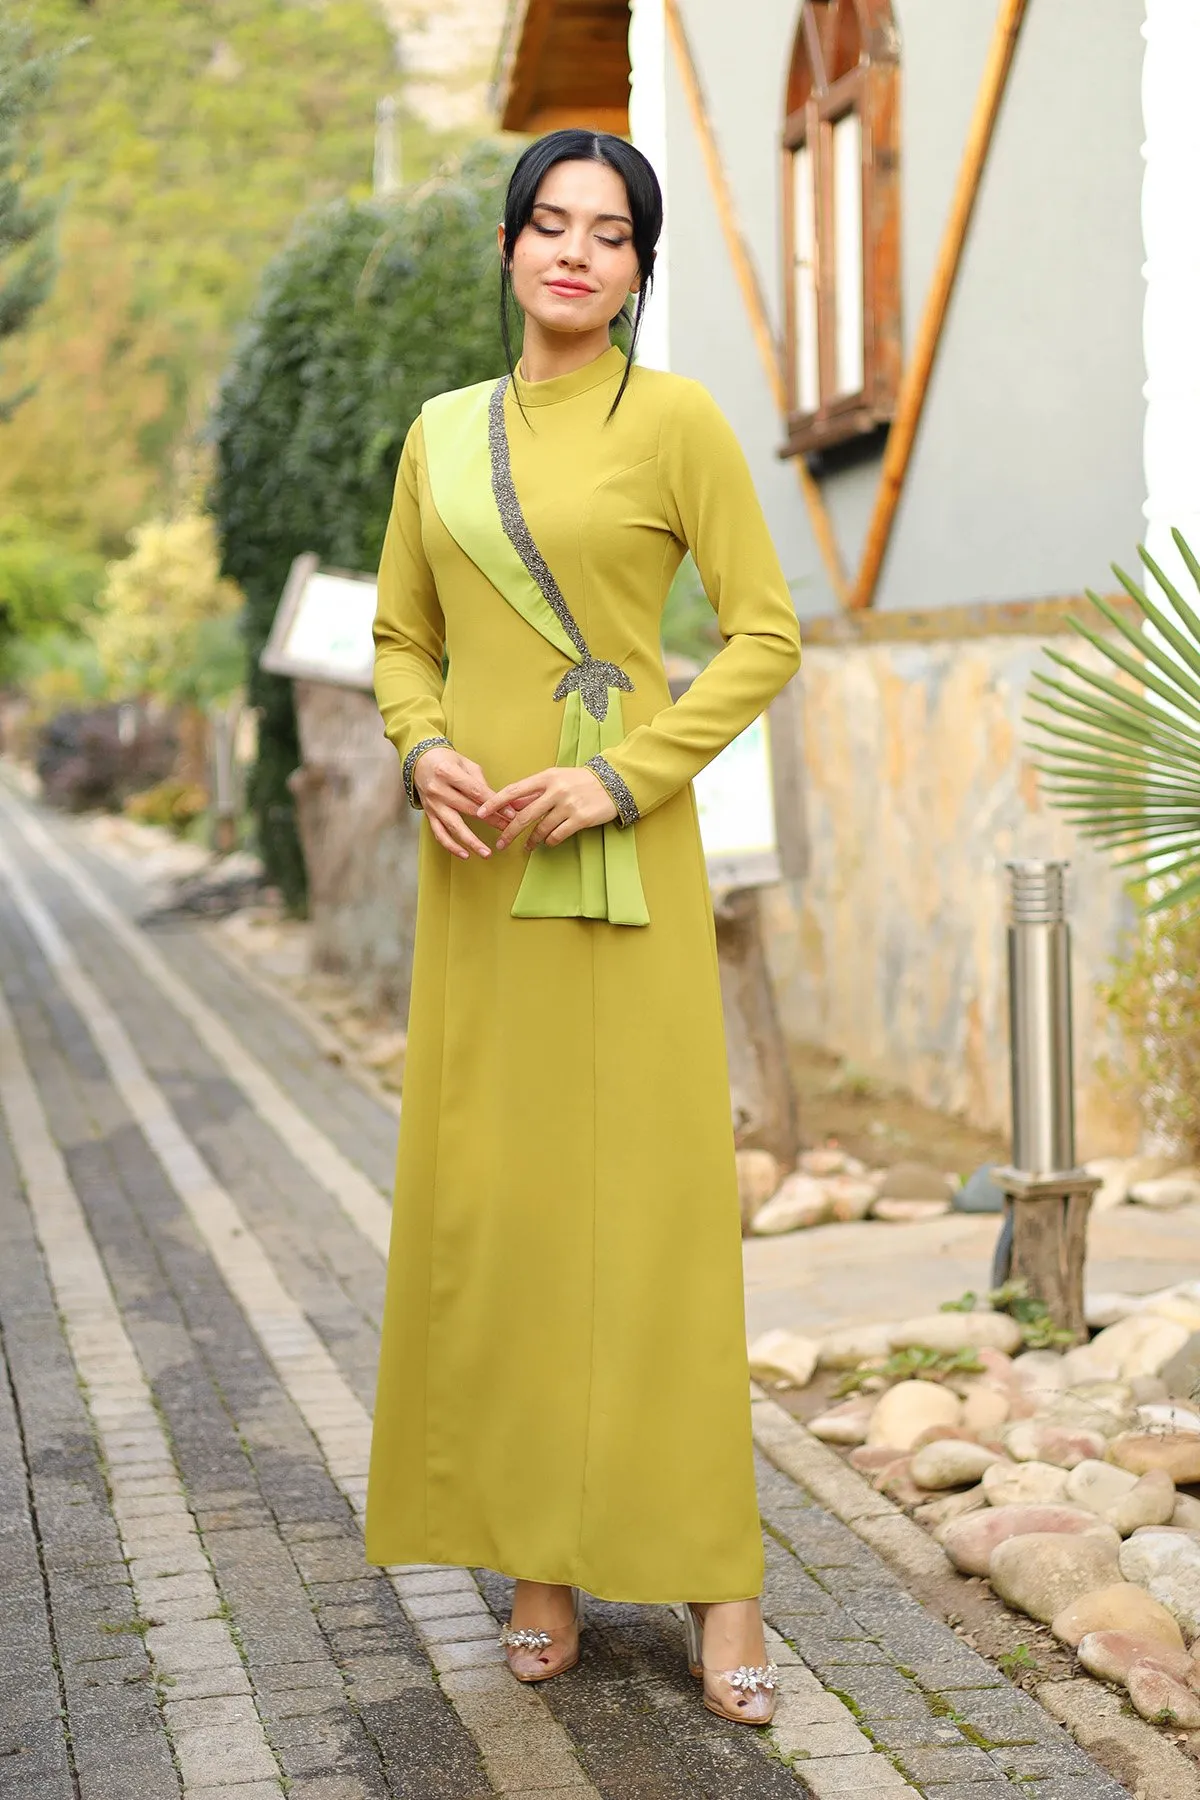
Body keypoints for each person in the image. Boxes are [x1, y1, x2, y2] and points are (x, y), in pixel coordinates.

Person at [366, 128, 801, 1727]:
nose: (573, 252)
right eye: (548, 225)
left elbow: (764, 634)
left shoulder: (676, 423)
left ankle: (720, 1572)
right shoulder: (439, 435)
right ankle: (537, 1557)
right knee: (511, 1208)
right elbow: (399, 636)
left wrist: (625, 777)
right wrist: (423, 747)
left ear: (636, 268)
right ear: (506, 248)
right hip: (483, 870)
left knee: (659, 1216)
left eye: (608, 234)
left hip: (624, 860)